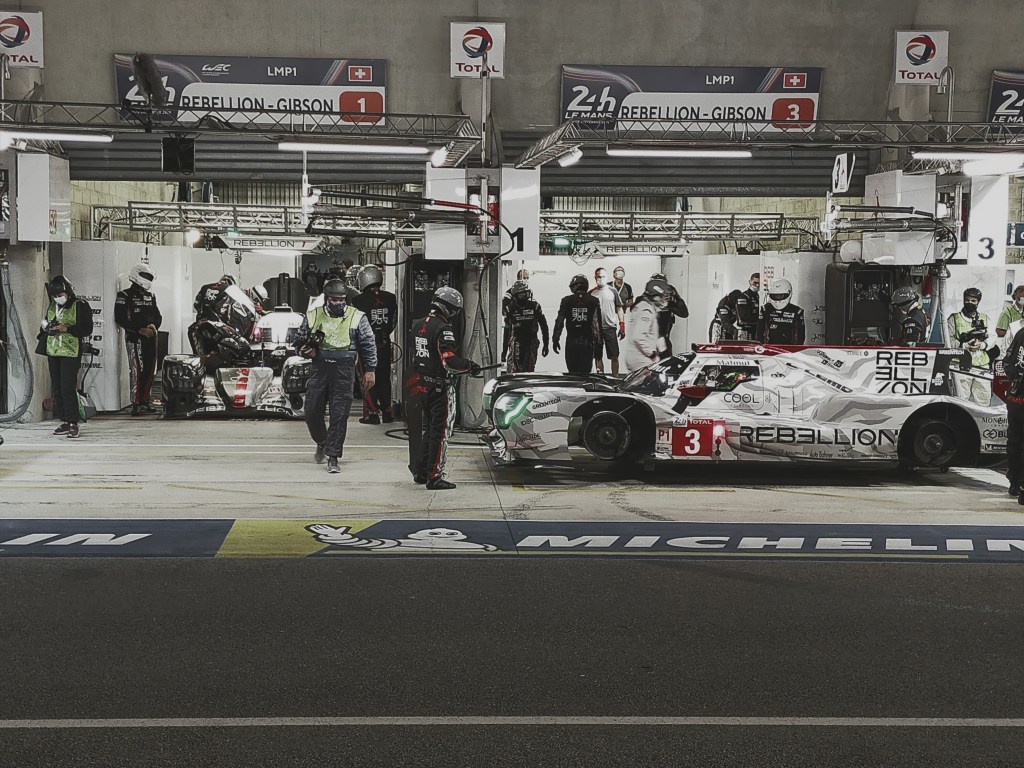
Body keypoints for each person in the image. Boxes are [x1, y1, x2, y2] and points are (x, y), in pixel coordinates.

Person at [294, 278, 377, 474]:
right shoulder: (313, 315)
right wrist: (304, 350)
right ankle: (322, 441)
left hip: (344, 370)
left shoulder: (357, 317)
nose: (338, 303)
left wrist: (370, 370)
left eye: (341, 299)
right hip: (319, 368)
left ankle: (333, 456)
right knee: (311, 411)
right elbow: (298, 341)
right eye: (334, 300)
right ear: (326, 299)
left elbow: (368, 344)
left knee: (339, 415)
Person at [406, 286, 480, 490]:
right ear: (449, 308)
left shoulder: (418, 324)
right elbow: (449, 362)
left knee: (428, 430)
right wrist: (469, 366)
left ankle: (421, 471)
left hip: (421, 384)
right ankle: (434, 476)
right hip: (439, 387)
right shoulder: (443, 328)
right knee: (440, 433)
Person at [41, 275, 93, 439]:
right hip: (53, 351)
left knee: (67, 387)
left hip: (70, 352)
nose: (58, 298)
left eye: (60, 295)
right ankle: (64, 419)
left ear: (68, 292)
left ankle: (73, 422)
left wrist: (68, 329)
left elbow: (87, 329)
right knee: (57, 387)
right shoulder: (53, 306)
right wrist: (47, 328)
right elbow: (45, 323)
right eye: (55, 296)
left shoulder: (80, 305)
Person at [351, 264, 398, 424]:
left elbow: (354, 325)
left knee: (368, 377)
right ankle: (387, 412)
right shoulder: (391, 298)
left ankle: (372, 414)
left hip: (366, 345)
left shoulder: (357, 301)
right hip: (385, 343)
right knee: (385, 378)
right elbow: (393, 322)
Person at [114, 264, 162, 416]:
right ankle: (136, 403)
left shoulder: (151, 296)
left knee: (150, 371)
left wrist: (154, 326)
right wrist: (139, 330)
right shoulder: (124, 295)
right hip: (135, 339)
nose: (148, 280)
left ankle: (145, 401)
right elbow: (120, 318)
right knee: (137, 371)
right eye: (146, 276)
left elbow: (157, 316)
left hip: (151, 339)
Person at [947, 287, 996, 406]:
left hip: (981, 366)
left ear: (978, 302)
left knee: (984, 400)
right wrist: (964, 345)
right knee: (960, 401)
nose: (970, 303)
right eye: (967, 300)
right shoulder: (954, 318)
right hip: (960, 364)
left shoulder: (984, 318)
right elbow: (948, 339)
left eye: (973, 301)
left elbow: (993, 337)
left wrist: (982, 345)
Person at [553, 274, 601, 374]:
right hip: (587, 342)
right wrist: (599, 346)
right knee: (585, 374)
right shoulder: (594, 301)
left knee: (572, 373)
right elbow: (597, 326)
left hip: (572, 341)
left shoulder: (566, 300)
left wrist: (555, 339)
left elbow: (559, 321)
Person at [624, 278, 672, 371]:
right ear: (656, 297)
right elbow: (638, 337)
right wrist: (651, 353)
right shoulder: (646, 311)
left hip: (637, 357)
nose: (665, 299)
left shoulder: (641, 306)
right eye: (663, 296)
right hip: (642, 360)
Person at [502, 280, 549, 373]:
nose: (524, 296)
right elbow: (507, 331)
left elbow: (544, 326)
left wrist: (546, 344)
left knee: (529, 369)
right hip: (517, 342)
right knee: (517, 370)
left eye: (526, 293)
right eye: (521, 294)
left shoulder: (534, 306)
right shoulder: (510, 308)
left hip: (532, 341)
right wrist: (504, 352)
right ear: (515, 296)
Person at [1002, 325, 1024, 503]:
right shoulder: (1021, 334)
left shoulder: (1021, 334)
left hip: (1015, 397)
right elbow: (1008, 363)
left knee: (1015, 442)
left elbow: (1007, 362)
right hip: (1017, 398)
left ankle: (1016, 482)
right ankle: (1018, 483)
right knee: (1016, 442)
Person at [590, 266, 625, 375]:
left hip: (610, 327)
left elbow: (619, 308)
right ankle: (600, 378)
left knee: (614, 355)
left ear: (607, 277)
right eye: (599, 277)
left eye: (603, 277)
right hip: (596, 330)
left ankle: (615, 378)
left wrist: (622, 325)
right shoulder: (591, 293)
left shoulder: (613, 291)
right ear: (595, 277)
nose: (601, 279)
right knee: (598, 356)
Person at [650, 272, 688, 357]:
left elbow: (684, 313)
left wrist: (677, 296)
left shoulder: (669, 303)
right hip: (650, 341)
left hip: (664, 340)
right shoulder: (646, 301)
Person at [757, 278, 805, 344]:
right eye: (775, 296)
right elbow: (760, 333)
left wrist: (794, 349)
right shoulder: (765, 309)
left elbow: (799, 336)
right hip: (768, 348)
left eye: (780, 295)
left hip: (789, 348)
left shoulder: (797, 311)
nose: (778, 298)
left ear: (789, 294)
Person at [735, 273, 761, 340]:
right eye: (755, 283)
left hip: (756, 330)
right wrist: (760, 320)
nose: (757, 285)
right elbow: (743, 317)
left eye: (759, 283)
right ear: (750, 282)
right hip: (745, 330)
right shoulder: (743, 297)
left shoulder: (759, 296)